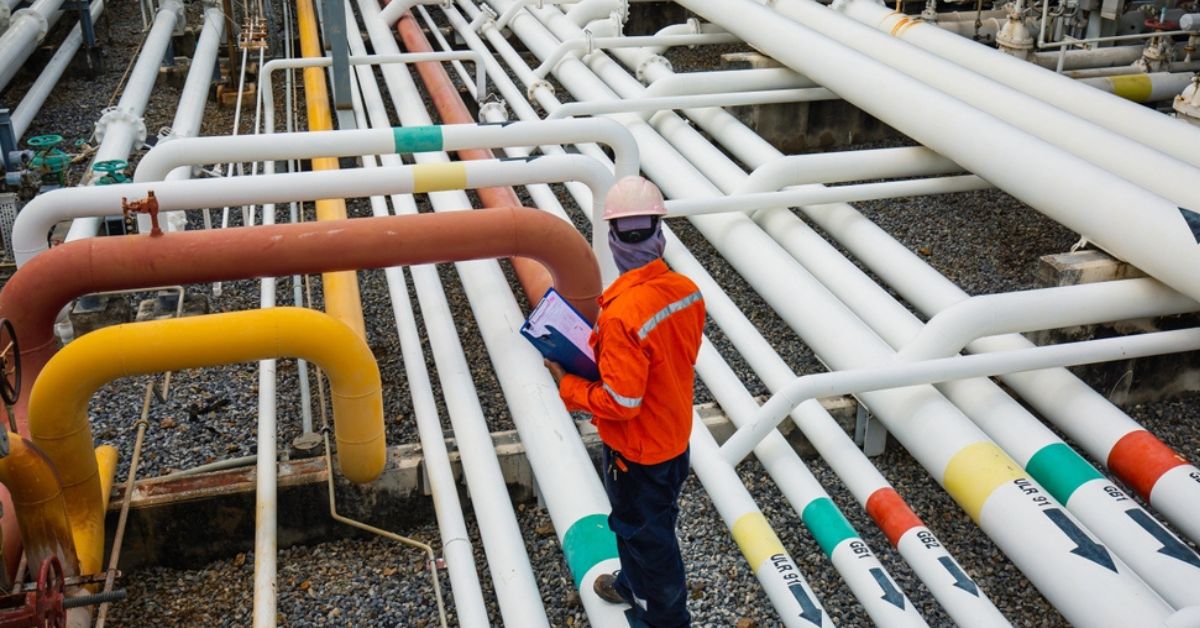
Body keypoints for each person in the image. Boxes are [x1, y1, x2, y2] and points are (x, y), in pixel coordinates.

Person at [544, 176, 705, 628]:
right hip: (673, 439)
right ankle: (632, 584)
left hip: (638, 453)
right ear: (660, 232)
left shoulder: (621, 315)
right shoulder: (687, 292)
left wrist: (568, 382)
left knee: (647, 537)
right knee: (650, 525)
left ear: (612, 238)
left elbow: (622, 400)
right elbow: (671, 361)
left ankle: (666, 619)